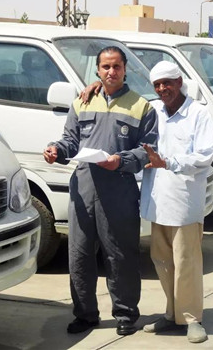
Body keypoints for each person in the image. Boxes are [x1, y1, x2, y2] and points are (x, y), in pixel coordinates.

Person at [43, 46, 158, 336]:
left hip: (119, 189)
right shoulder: (82, 102)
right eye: (106, 67)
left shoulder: (141, 107)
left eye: (116, 66)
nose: (111, 71)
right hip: (83, 188)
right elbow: (70, 140)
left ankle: (126, 314)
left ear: (125, 69)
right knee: (79, 254)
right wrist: (56, 150)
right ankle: (85, 314)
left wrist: (121, 160)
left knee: (121, 254)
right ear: (97, 70)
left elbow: (148, 151)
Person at [140, 61, 213, 344]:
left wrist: (169, 162)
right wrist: (95, 86)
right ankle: (171, 314)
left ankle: (192, 319)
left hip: (184, 203)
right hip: (158, 201)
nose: (162, 89)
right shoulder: (153, 111)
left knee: (186, 263)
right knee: (162, 261)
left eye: (167, 83)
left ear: (179, 82)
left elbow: (204, 156)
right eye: (157, 85)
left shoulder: (198, 113)